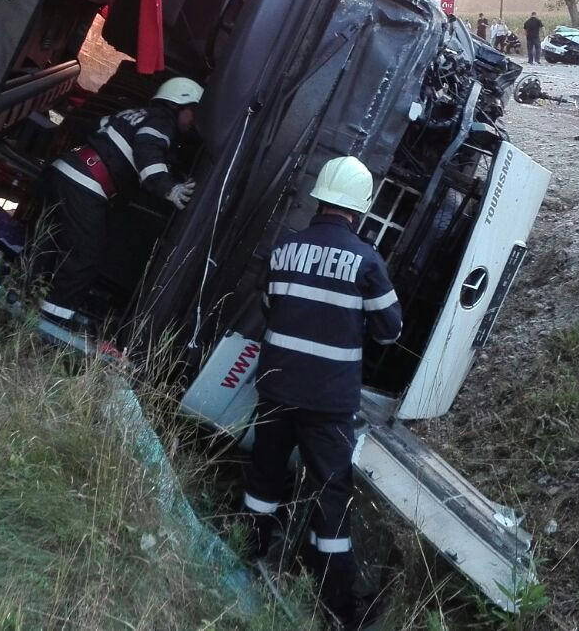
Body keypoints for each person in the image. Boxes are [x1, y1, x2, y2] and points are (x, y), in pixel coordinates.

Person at [241, 156, 402, 631]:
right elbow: (391, 331)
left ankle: (248, 554)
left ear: (320, 197)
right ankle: (338, 608)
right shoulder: (367, 262)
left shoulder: (284, 249)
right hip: (328, 405)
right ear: (361, 208)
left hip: (276, 388)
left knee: (264, 479)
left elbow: (270, 308)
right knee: (331, 498)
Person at [38, 77, 201, 328]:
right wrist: (168, 188)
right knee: (85, 257)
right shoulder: (162, 121)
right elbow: (147, 150)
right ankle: (50, 321)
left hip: (65, 173)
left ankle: (26, 294)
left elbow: (100, 130)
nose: (195, 121)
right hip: (85, 183)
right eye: (194, 112)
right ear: (179, 104)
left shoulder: (137, 114)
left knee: (51, 241)